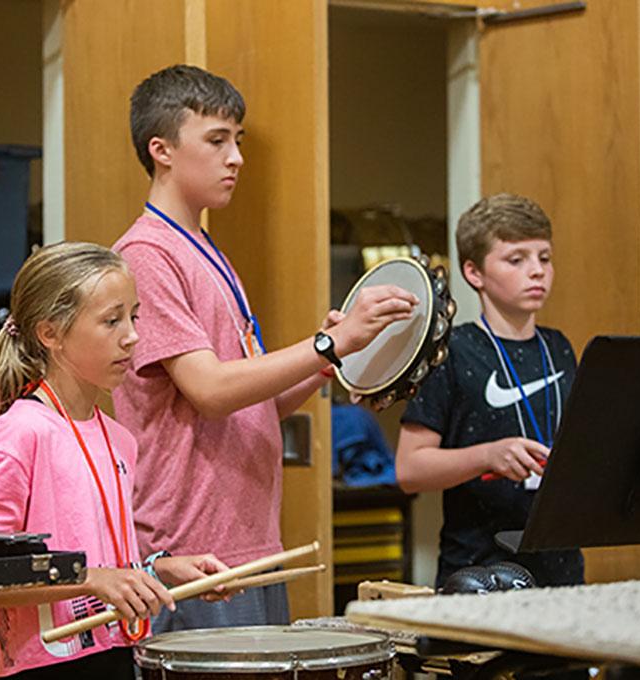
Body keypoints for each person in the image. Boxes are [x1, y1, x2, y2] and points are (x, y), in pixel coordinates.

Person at [112, 64, 419, 632]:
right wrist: (328, 342)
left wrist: (334, 359)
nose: (237, 158)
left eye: (238, 141)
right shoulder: (147, 256)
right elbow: (209, 391)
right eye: (217, 140)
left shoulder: (205, 250)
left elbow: (254, 404)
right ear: (162, 150)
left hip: (250, 542)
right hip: (192, 552)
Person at [0, 242, 228, 679]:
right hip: (42, 667)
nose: (132, 336)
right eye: (111, 321)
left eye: (133, 316)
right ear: (51, 334)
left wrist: (157, 570)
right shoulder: (19, 433)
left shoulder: (118, 438)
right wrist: (89, 579)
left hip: (115, 656)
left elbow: (105, 565)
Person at [395, 193, 584, 589]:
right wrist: (488, 456)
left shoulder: (560, 347)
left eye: (544, 258)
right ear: (474, 272)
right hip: (478, 572)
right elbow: (410, 470)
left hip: (561, 572)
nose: (537, 272)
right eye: (517, 260)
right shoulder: (451, 351)